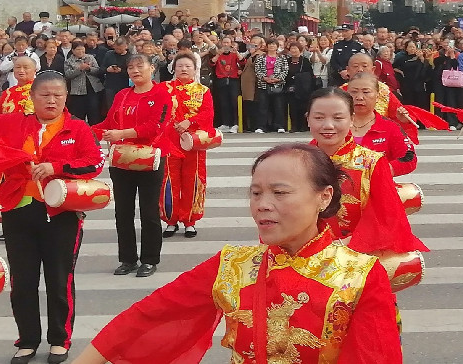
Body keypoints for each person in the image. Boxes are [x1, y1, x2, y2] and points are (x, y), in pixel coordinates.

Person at [69, 143, 402, 364]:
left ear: (324, 197)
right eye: (256, 192)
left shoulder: (359, 276)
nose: (263, 204)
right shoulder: (232, 265)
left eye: (280, 192)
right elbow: (150, 315)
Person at [0, 72, 102, 364]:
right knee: (23, 281)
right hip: (18, 210)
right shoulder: (14, 122)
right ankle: (27, 340)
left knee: (59, 279)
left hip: (61, 214)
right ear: (32, 97)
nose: (51, 100)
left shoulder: (78, 129)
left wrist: (57, 166)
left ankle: (59, 340)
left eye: (58, 94)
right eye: (44, 95)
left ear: (66, 96)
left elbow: (93, 162)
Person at [307, 88, 427, 256]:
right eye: (319, 118)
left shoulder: (372, 163)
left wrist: (343, 246)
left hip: (357, 256)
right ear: (308, 119)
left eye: (338, 118)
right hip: (304, 257)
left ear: (351, 120)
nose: (328, 125)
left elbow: (387, 219)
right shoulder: (294, 162)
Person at [93, 54, 177, 278]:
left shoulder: (162, 94)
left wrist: (122, 133)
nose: (134, 71)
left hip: (151, 159)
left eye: (140, 66)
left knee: (149, 212)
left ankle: (149, 259)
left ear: (152, 68)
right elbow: (109, 123)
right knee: (123, 212)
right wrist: (85, 131)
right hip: (122, 160)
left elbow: (155, 126)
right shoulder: (122, 95)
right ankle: (127, 259)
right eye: (130, 67)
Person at [161, 52, 213, 239]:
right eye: (180, 66)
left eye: (187, 66)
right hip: (169, 141)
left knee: (193, 179)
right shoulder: (164, 89)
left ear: (195, 69)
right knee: (169, 180)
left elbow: (208, 114)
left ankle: (190, 221)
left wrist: (189, 122)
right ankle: (171, 220)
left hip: (193, 142)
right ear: (174, 69)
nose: (183, 69)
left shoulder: (203, 91)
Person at [346, 72, 416, 176]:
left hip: (379, 187)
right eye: (354, 92)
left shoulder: (390, 127)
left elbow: (409, 159)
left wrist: (380, 172)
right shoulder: (335, 126)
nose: (359, 97)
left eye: (366, 92)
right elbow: (315, 156)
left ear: (377, 96)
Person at [339, 53, 418, 142]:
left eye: (364, 66)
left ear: (373, 69)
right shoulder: (340, 93)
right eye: (355, 66)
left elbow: (398, 118)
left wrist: (403, 120)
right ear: (348, 70)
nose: (360, 70)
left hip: (379, 139)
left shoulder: (384, 92)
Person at [253, 39, 288, 133]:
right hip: (264, 85)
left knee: (279, 106)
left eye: (274, 44)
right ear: (267, 46)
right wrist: (264, 78)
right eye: (270, 44)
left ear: (277, 46)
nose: (272, 46)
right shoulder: (261, 57)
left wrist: (278, 79)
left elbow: (285, 70)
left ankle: (279, 125)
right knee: (262, 107)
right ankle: (261, 126)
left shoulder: (282, 57)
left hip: (277, 85)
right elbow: (257, 70)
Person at [63, 41, 101, 122]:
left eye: (82, 49)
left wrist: (89, 68)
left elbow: (98, 70)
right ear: (73, 50)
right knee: (79, 114)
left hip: (92, 89)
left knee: (94, 112)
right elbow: (68, 75)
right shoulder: (69, 61)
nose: (81, 51)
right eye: (78, 49)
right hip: (78, 91)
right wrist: (80, 69)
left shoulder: (90, 57)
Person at [284, 42, 316, 134]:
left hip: (303, 87)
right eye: (292, 49)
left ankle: (303, 126)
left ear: (300, 50)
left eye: (295, 48)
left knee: (303, 106)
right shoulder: (287, 60)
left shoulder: (305, 60)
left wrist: (298, 77)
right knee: (293, 107)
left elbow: (309, 74)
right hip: (291, 87)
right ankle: (294, 126)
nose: (293, 50)